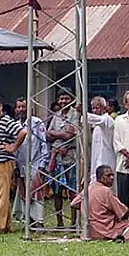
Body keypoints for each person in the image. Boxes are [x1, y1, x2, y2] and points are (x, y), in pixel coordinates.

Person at [0, 95, 28, 235]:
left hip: (1, 162)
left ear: (0, 107)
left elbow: (23, 132)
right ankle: (6, 225)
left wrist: (13, 147)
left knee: (0, 196)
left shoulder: (6, 121)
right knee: (0, 195)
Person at [73, 165, 129, 241]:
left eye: (112, 175)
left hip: (90, 231)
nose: (112, 178)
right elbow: (123, 212)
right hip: (107, 229)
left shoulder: (89, 188)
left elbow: (74, 204)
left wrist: (89, 210)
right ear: (100, 177)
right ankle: (122, 236)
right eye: (108, 175)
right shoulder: (106, 191)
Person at [13, 98, 49, 228]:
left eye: (24, 107)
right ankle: (27, 220)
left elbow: (43, 144)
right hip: (21, 164)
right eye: (19, 107)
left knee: (36, 193)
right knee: (23, 193)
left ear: (30, 109)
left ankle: (39, 221)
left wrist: (43, 165)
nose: (21, 110)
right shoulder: (15, 125)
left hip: (35, 163)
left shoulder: (36, 123)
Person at [47, 90, 80, 227]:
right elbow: (48, 134)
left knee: (73, 190)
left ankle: (73, 222)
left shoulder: (75, 114)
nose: (64, 101)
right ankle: (59, 222)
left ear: (72, 99)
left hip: (71, 157)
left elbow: (69, 135)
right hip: (57, 157)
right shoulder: (56, 115)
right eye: (61, 99)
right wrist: (60, 133)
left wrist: (57, 134)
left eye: (66, 98)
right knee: (57, 191)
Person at [87, 96, 117, 183]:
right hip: (96, 159)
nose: (95, 111)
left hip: (106, 157)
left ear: (104, 108)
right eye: (93, 108)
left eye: (97, 108)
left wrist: (84, 113)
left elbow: (98, 120)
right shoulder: (95, 125)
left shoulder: (108, 120)